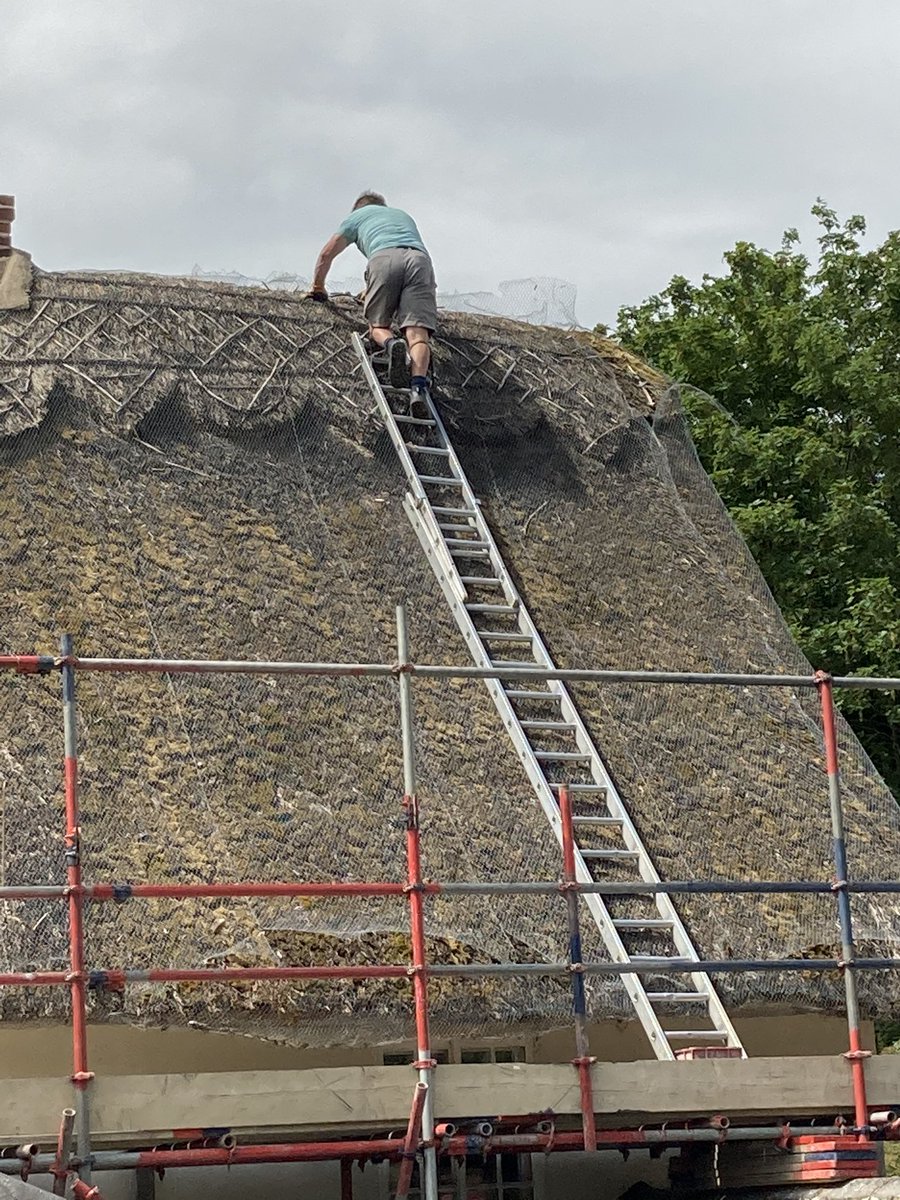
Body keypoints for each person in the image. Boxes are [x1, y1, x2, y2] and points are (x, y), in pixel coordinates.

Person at [310, 193, 437, 409]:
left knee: (377, 326)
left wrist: (318, 287)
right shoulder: (402, 215)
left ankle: (391, 344)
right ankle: (417, 388)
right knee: (418, 337)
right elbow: (403, 256)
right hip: (420, 261)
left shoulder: (357, 217)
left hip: (383, 259)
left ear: (358, 208)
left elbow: (326, 255)